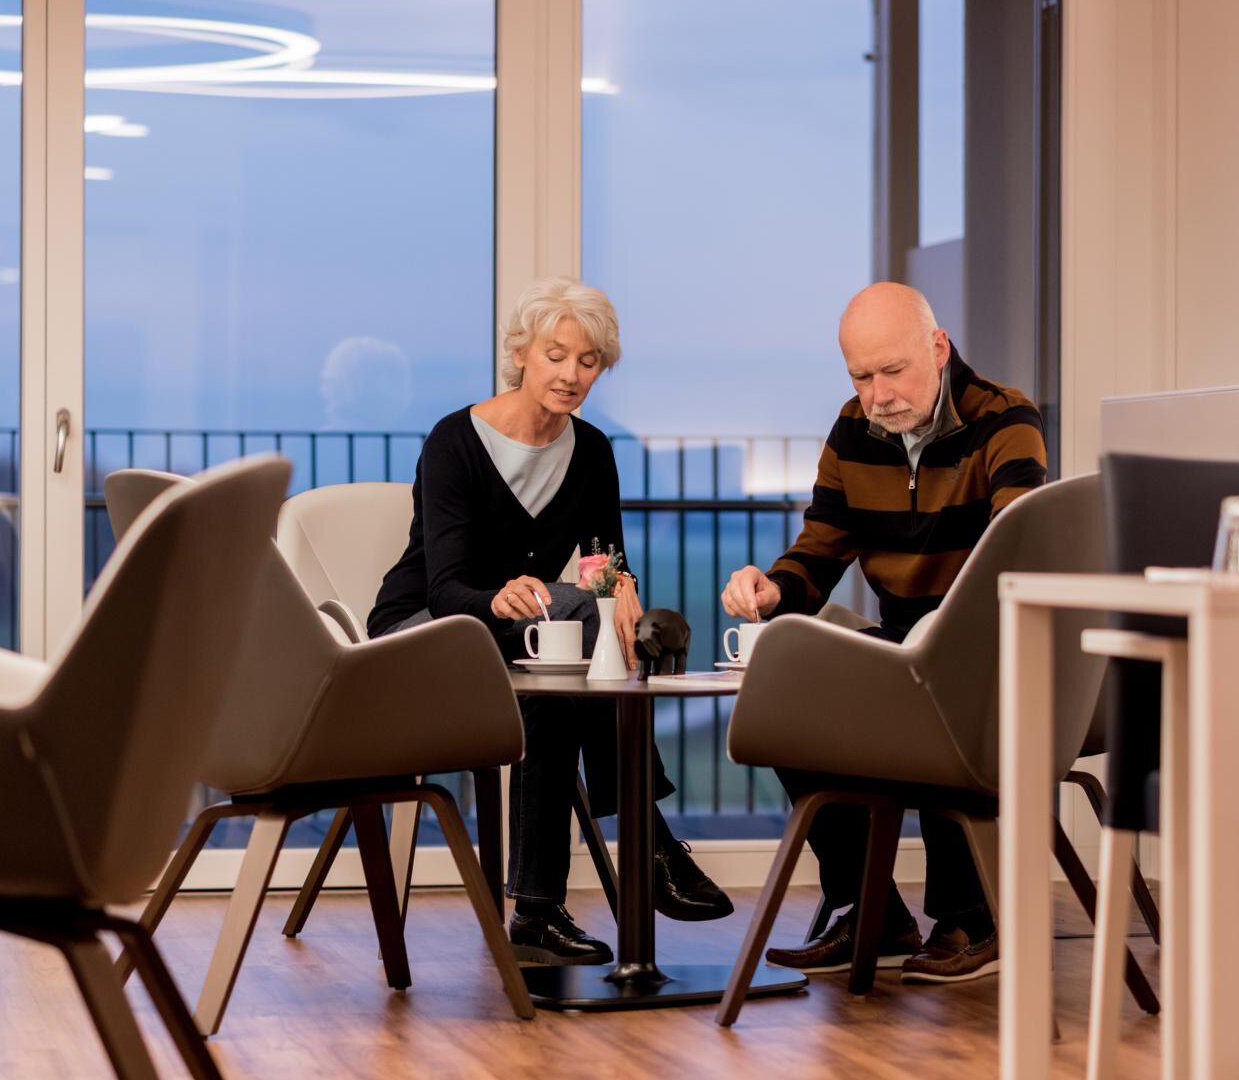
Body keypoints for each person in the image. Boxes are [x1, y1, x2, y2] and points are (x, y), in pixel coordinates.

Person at [368, 277, 731, 966]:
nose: (571, 374)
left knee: (563, 676)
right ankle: (649, 845)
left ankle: (536, 915)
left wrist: (620, 588)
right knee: (566, 618)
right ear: (521, 353)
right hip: (420, 631)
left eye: (588, 361)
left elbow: (603, 560)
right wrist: (506, 598)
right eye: (556, 354)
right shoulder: (454, 441)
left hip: (516, 640)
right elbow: (446, 587)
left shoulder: (592, 451)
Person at [720, 282, 1047, 983]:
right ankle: (868, 909)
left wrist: (941, 634)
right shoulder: (851, 431)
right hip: (900, 641)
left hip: (987, 637)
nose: (877, 395)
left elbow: (1016, 550)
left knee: (940, 683)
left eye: (892, 371)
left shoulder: (1006, 419)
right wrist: (774, 588)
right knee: (790, 694)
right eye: (860, 377)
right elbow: (820, 549)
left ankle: (971, 917)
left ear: (938, 347)